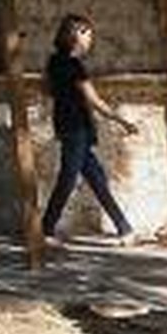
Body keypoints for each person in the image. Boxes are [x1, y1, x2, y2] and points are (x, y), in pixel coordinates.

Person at [39, 12, 135, 241]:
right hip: (77, 129)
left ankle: (124, 228)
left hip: (65, 125)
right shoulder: (74, 66)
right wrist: (122, 121)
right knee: (68, 179)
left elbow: (46, 90)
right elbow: (94, 100)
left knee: (96, 179)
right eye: (88, 34)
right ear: (76, 35)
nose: (91, 40)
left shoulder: (53, 62)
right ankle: (45, 229)